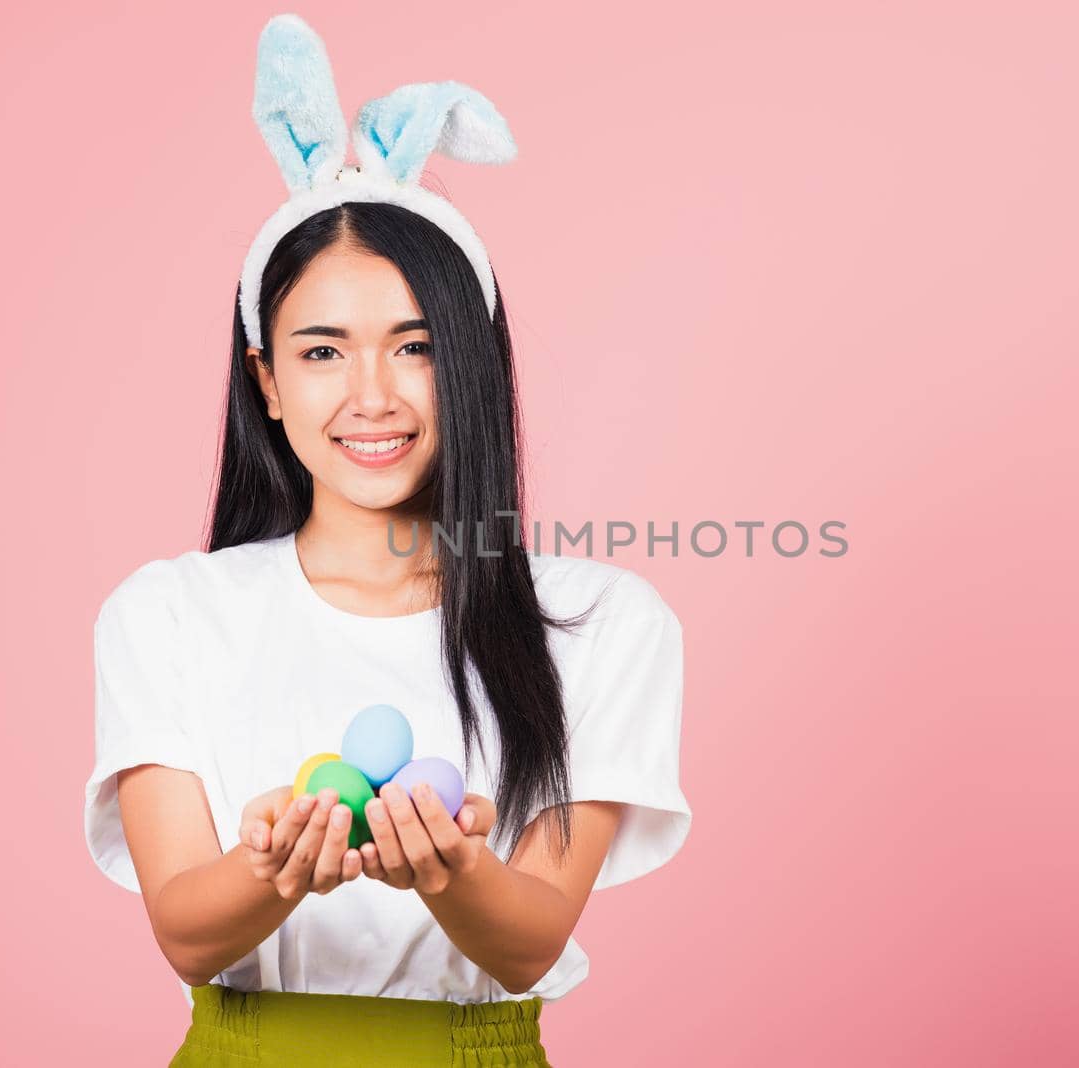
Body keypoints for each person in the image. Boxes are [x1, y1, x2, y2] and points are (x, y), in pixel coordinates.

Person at [80, 15, 690, 1067]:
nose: (372, 396)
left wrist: (448, 871)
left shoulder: (599, 623)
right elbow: (184, 932)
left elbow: (531, 941)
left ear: (472, 365)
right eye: (322, 351)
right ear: (266, 380)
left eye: (415, 347)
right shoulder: (169, 613)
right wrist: (276, 864)